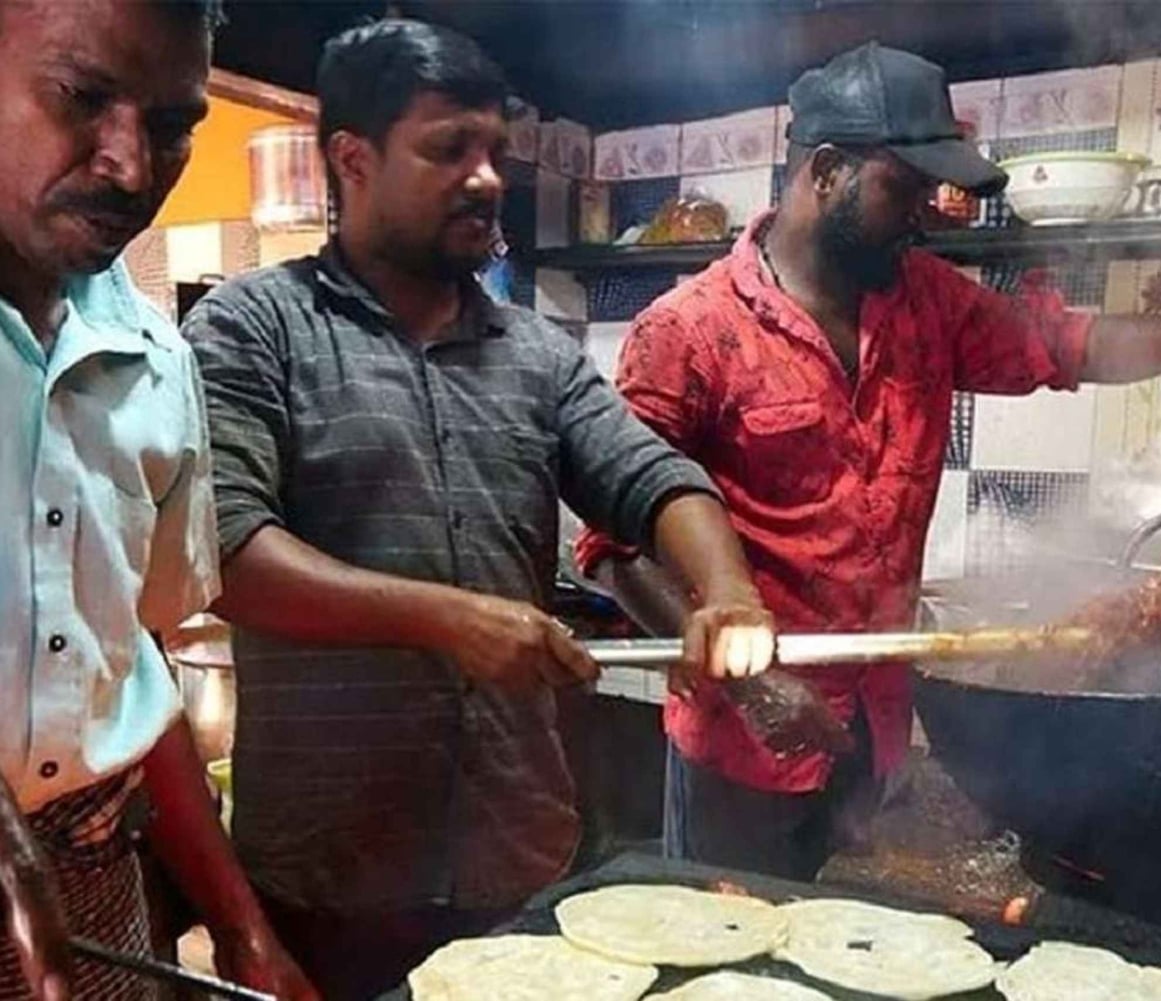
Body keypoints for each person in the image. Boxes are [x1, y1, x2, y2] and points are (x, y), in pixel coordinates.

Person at [574, 42, 1161, 883]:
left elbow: (1075, 346)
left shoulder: (929, 303)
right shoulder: (686, 331)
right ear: (828, 172)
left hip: (872, 732)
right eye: (902, 189)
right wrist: (754, 688)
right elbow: (613, 550)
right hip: (740, 750)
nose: (923, 214)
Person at [183, 19, 774, 1000]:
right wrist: (447, 618)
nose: (488, 177)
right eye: (448, 148)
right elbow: (228, 551)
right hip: (332, 878)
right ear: (354, 158)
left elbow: (654, 476)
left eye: (495, 151)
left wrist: (727, 591)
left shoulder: (537, 354)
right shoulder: (253, 328)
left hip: (519, 859)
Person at [0, 2, 318, 999]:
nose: (133, 168)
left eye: (175, 124)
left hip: (93, 878)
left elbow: (136, 661)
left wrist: (238, 925)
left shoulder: (155, 362)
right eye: (82, 97)